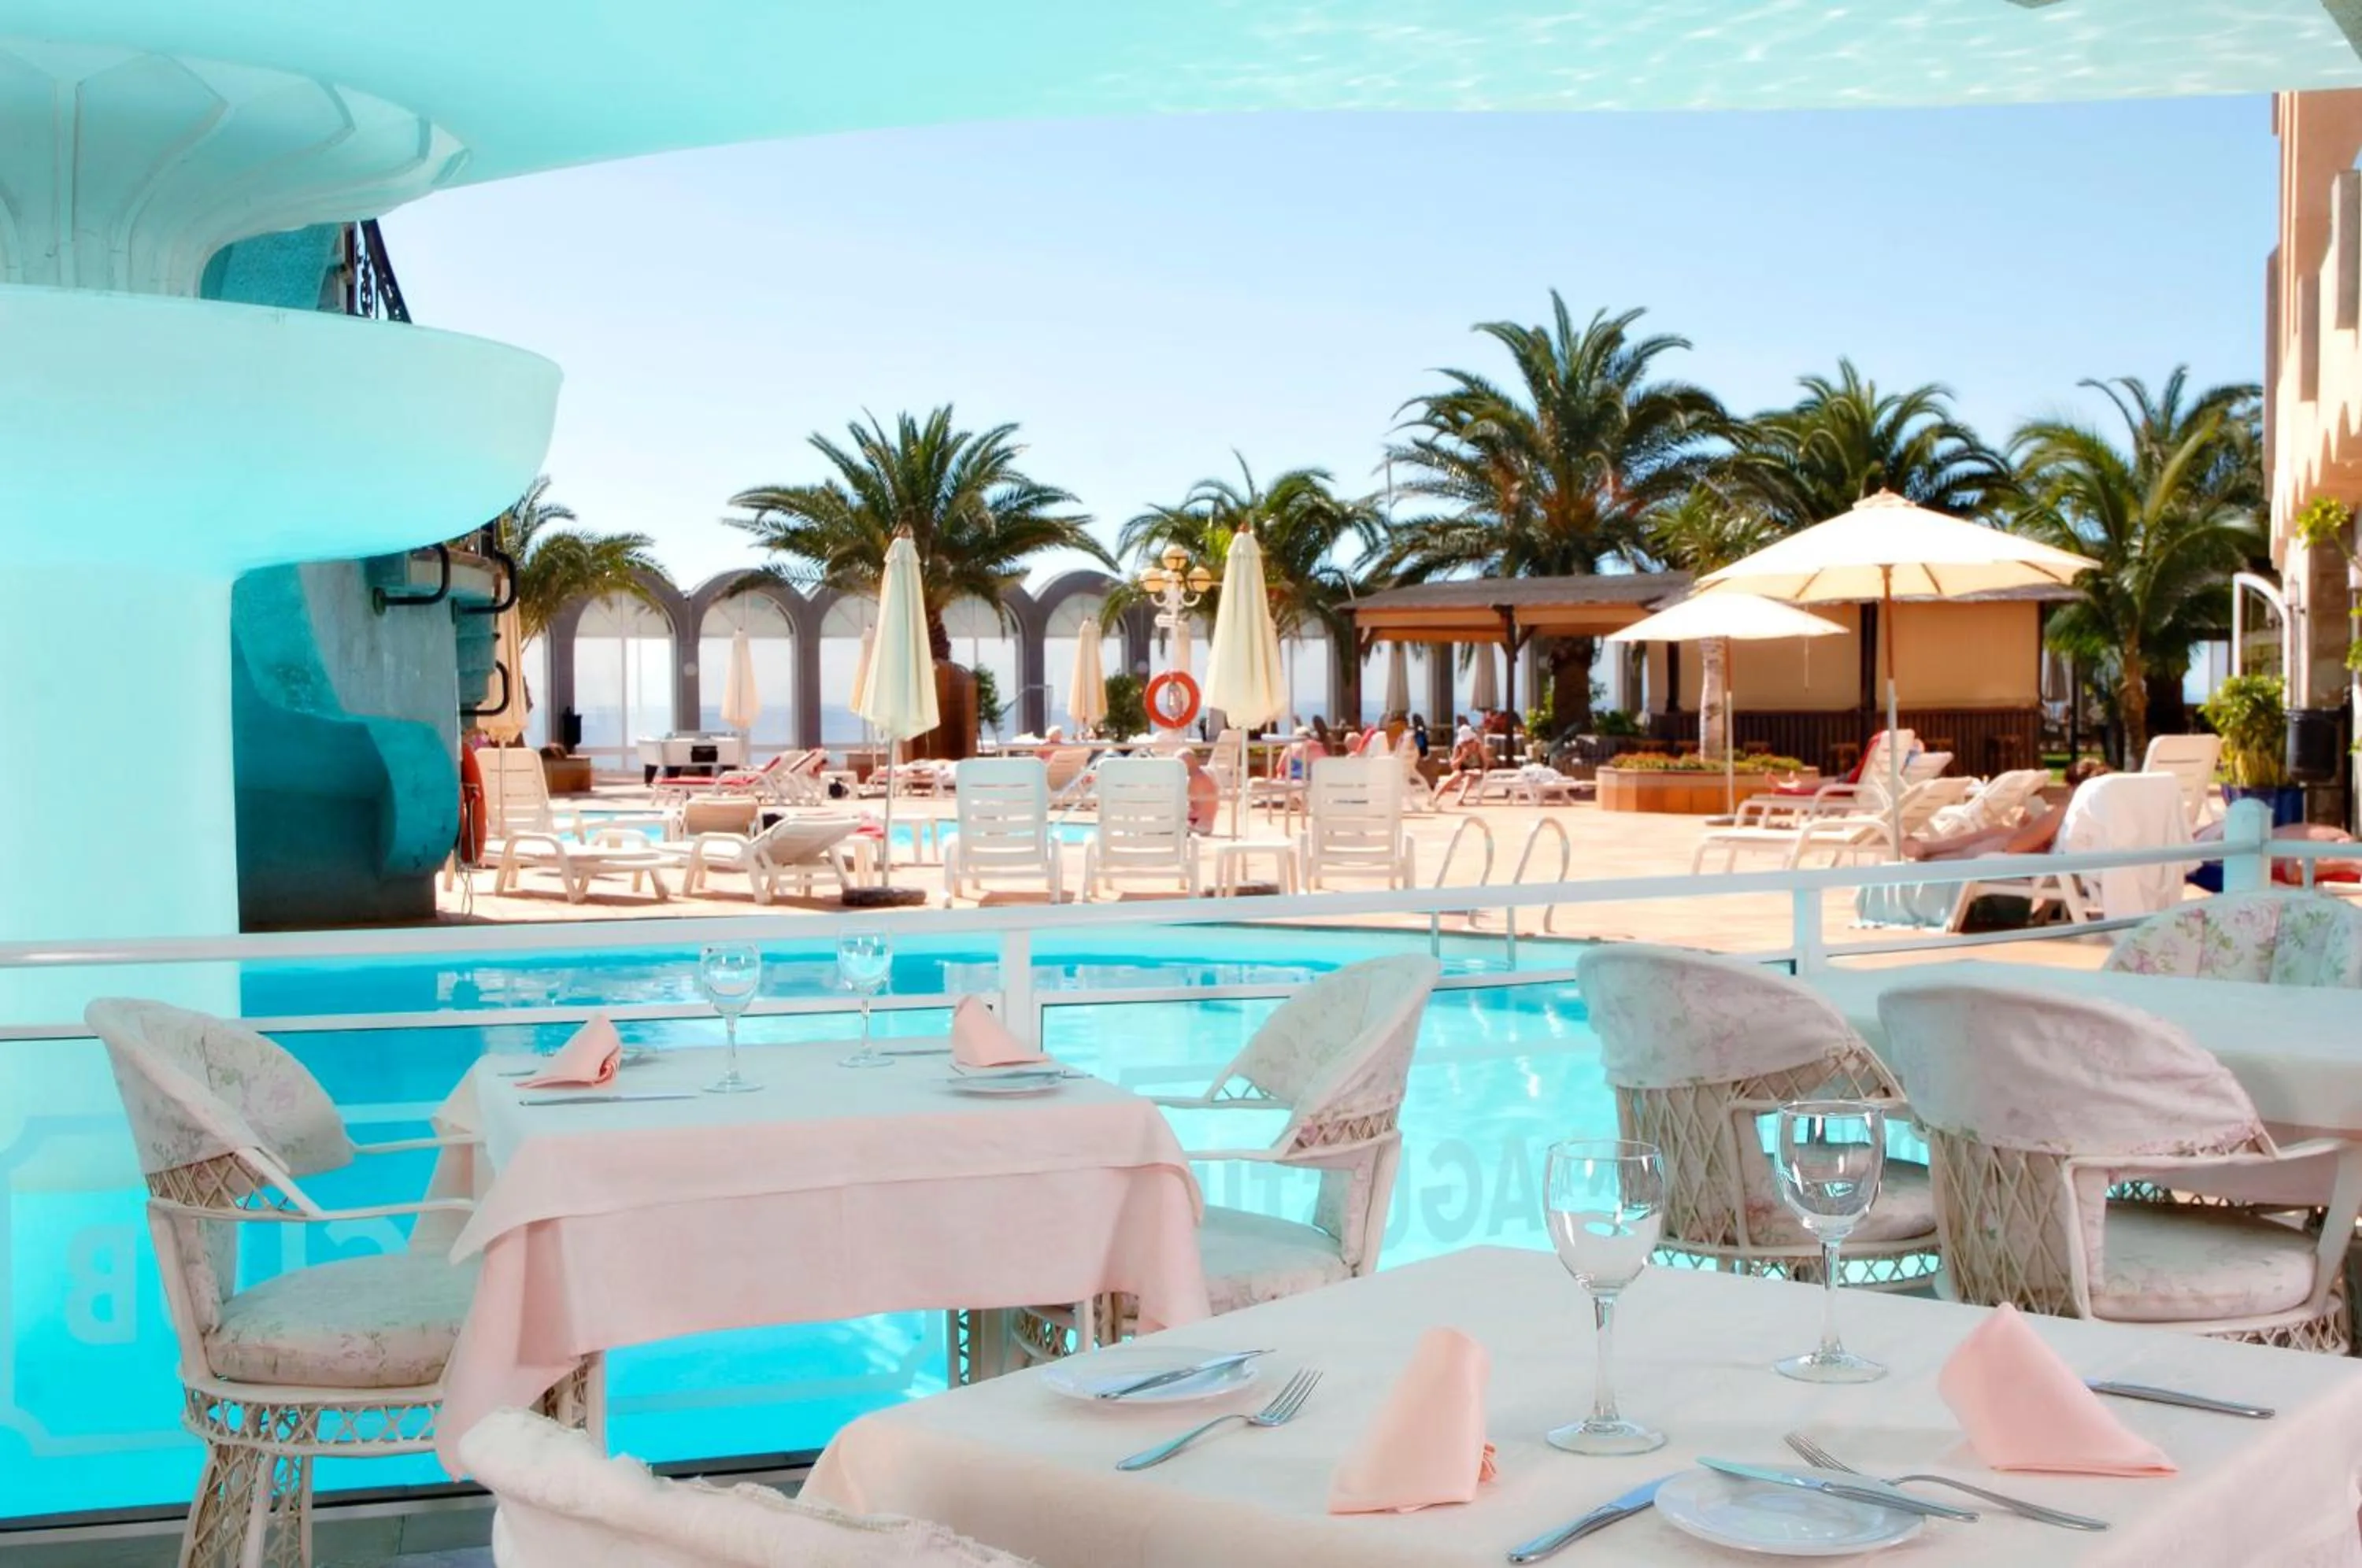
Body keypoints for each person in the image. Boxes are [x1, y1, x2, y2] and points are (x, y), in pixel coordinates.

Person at [1180, 746, 1220, 835]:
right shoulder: (1207, 772)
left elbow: (1190, 808)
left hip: (1199, 825)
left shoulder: (1194, 780)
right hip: (1208, 824)